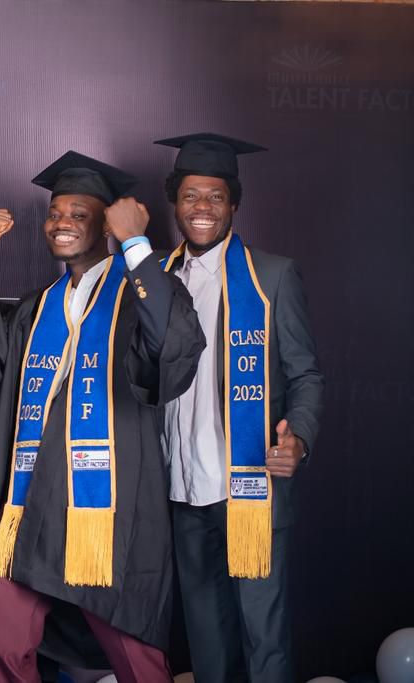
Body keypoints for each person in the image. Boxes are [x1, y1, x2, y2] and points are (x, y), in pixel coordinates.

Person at [0, 151, 205, 683]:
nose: (62, 222)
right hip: (28, 499)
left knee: (135, 653)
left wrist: (137, 246)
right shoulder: (35, 307)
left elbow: (170, 350)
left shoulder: (138, 291)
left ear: (106, 225)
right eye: (55, 213)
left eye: (79, 213)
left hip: (106, 504)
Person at [155, 133, 324, 682]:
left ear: (234, 204)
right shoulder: (154, 279)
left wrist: (297, 436)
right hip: (183, 491)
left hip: (249, 486)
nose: (201, 208)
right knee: (205, 637)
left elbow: (305, 375)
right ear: (174, 203)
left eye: (215, 197)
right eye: (190, 196)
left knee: (262, 633)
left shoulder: (271, 275)